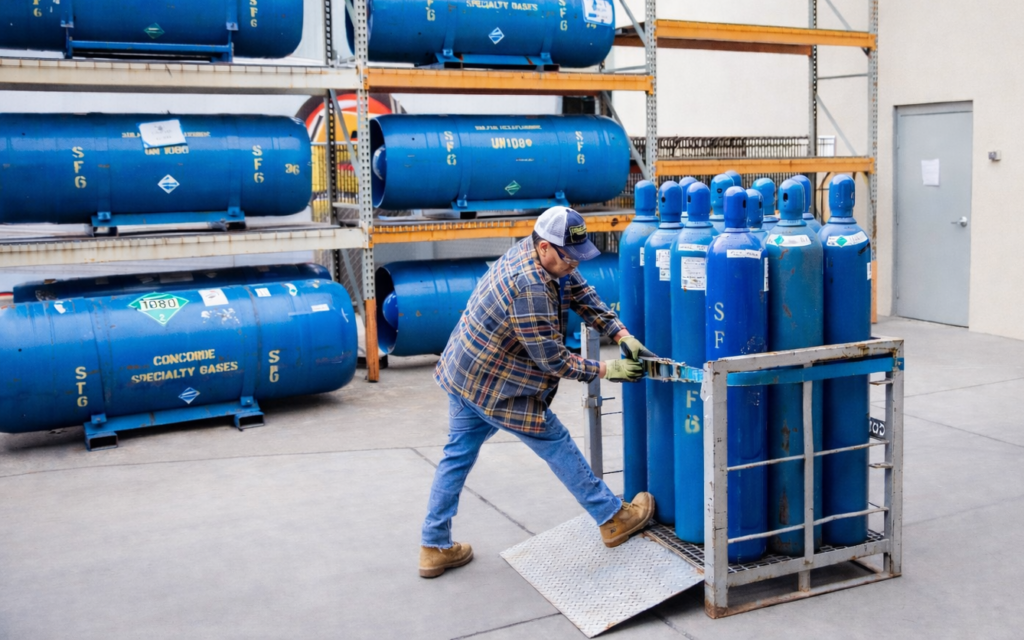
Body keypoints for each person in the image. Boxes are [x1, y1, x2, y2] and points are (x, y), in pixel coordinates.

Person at [419, 206, 656, 579]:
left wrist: (620, 334)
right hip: (492, 382)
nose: (574, 265)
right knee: (555, 441)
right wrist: (608, 369)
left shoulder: (542, 256)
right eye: (569, 257)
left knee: (456, 456)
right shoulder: (529, 286)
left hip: (464, 371)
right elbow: (553, 360)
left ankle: (433, 546)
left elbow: (579, 292)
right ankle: (612, 518)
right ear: (545, 248)